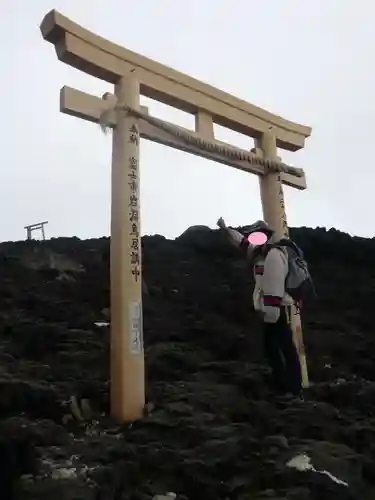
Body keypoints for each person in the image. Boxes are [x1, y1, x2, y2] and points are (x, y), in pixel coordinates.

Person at [217, 217, 303, 399]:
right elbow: (242, 242)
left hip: (276, 309)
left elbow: (274, 286)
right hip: (270, 309)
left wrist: (269, 313)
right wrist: (226, 229)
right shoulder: (259, 253)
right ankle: (285, 386)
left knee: (284, 347)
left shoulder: (273, 256)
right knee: (273, 347)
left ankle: (293, 389)